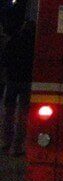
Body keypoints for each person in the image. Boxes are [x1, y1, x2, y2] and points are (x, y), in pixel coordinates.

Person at [1, 20, 35, 154]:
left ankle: (6, 143)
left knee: (8, 113)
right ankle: (17, 146)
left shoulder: (13, 40)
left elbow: (4, 60)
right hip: (27, 81)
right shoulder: (35, 44)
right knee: (23, 114)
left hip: (12, 81)